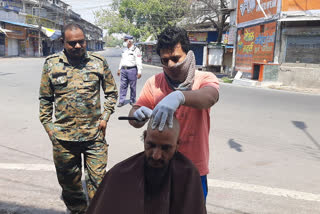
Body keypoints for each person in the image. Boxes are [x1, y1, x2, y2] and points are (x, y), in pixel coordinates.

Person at [129, 26, 220, 200]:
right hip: (158, 163)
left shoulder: (204, 79)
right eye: (165, 60)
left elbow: (210, 97)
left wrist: (180, 96)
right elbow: (134, 116)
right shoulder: (154, 83)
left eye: (175, 58)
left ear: (188, 54)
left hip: (194, 166)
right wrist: (137, 115)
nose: (170, 65)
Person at [39, 23, 118, 214]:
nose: (77, 46)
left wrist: (105, 117)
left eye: (81, 42)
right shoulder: (51, 64)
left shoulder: (98, 62)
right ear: (62, 42)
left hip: (94, 137)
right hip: (64, 140)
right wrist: (50, 129)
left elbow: (112, 93)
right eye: (72, 43)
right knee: (71, 190)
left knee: (99, 186)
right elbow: (45, 99)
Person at [86, 117, 206, 214]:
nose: (156, 155)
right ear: (144, 138)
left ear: (177, 145)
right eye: (151, 145)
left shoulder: (188, 174)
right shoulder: (120, 173)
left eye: (166, 148)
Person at [117, 35, 142, 107]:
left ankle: (132, 100)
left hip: (132, 70)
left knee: (132, 87)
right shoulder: (124, 50)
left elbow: (138, 61)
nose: (124, 42)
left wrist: (139, 71)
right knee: (123, 86)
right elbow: (122, 60)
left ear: (130, 41)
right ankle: (121, 101)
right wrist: (119, 68)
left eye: (125, 40)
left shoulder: (136, 50)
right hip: (123, 70)